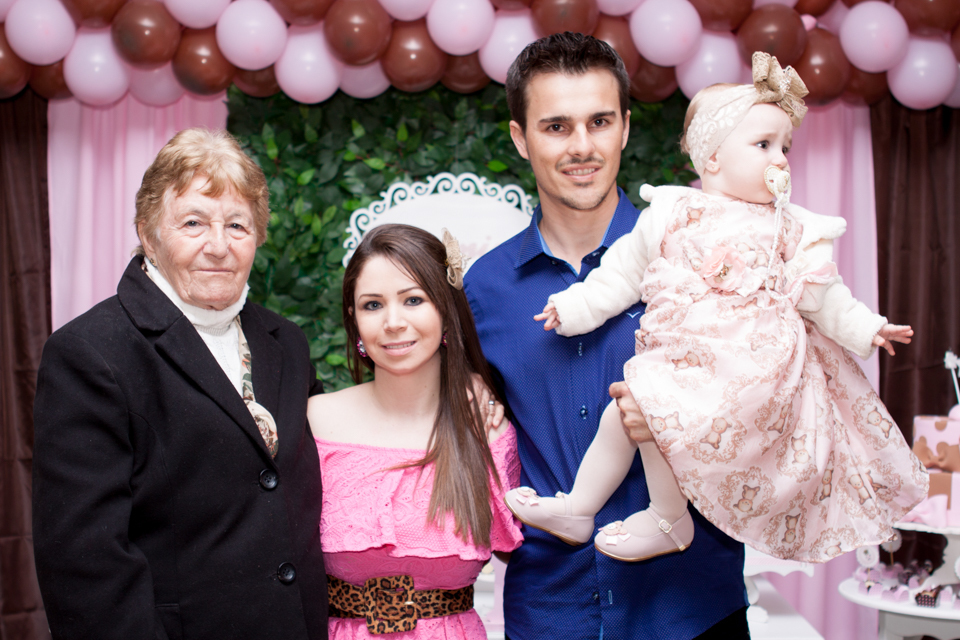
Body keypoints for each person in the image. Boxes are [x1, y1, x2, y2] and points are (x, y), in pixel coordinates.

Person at [508, 52, 928, 564]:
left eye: (785, 147)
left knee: (653, 408)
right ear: (712, 159)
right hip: (686, 358)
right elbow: (620, 273)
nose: (780, 159)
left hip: (751, 369)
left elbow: (822, 293)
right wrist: (574, 307)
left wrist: (867, 327)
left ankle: (667, 517)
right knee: (628, 412)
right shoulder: (671, 212)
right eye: (763, 145)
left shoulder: (789, 225)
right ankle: (579, 508)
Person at [464, 33, 749, 640]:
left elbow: (771, 408)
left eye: (599, 121)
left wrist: (687, 421)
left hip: (691, 608)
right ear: (520, 138)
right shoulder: (484, 289)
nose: (582, 146)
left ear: (624, 128)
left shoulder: (703, 257)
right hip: (551, 611)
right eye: (556, 127)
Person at [32, 128, 328, 640]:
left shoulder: (288, 342)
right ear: (149, 235)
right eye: (193, 223)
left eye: (237, 224)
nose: (219, 246)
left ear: (258, 236)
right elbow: (85, 567)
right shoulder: (90, 353)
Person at [307, 224, 522, 639]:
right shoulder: (315, 423)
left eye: (413, 300)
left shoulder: (489, 431)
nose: (393, 322)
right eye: (373, 305)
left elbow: (536, 563)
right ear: (353, 319)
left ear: (446, 310)